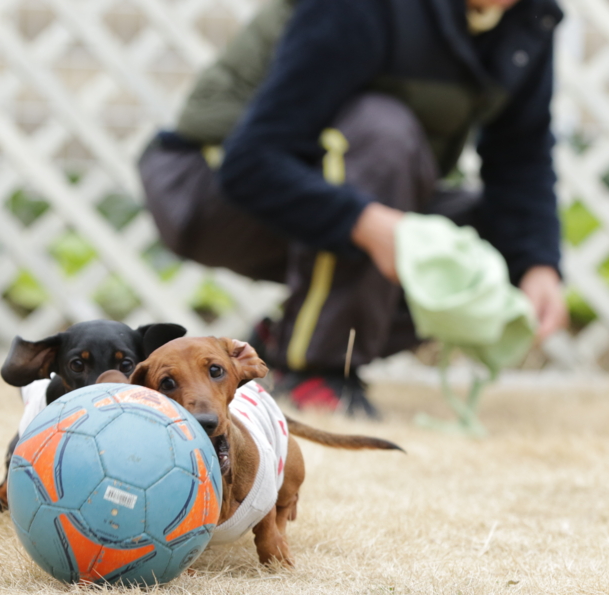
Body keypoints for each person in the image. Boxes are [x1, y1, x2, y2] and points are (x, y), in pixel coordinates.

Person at [139, 0, 569, 414]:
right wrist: (364, 222)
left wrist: (537, 264)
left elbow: (522, 154)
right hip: (207, 184)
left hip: (339, 182)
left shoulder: (530, 19)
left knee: (496, 246)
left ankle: (280, 343)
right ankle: (313, 369)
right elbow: (251, 163)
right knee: (384, 129)